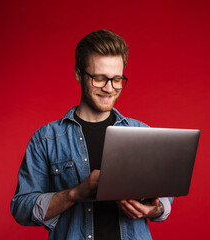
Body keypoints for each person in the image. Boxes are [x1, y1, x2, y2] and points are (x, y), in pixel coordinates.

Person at [10, 29, 173, 240]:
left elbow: (164, 200)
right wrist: (75, 193)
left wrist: (155, 209)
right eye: (99, 78)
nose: (109, 88)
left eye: (116, 79)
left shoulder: (142, 133)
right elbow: (21, 209)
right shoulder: (46, 139)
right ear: (79, 74)